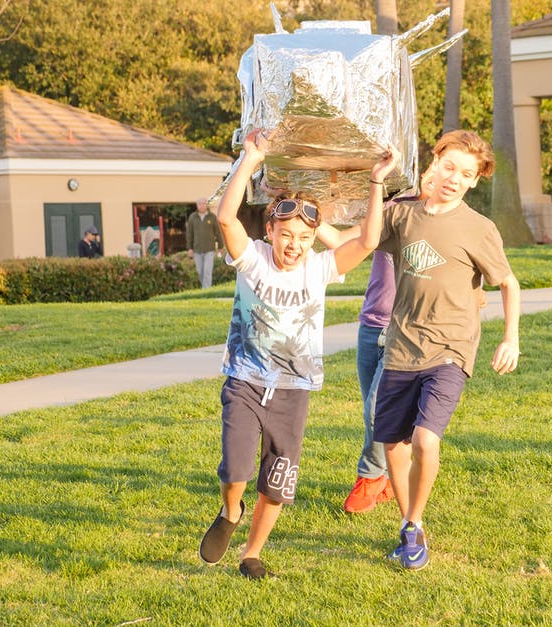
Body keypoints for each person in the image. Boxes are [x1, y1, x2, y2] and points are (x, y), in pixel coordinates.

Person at [197, 129, 397, 579]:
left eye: (304, 237)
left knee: (278, 483)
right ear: (269, 230)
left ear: (313, 240)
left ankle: (252, 553)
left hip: (294, 392)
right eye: (285, 234)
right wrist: (251, 158)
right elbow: (227, 218)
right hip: (246, 382)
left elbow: (366, 242)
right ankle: (231, 512)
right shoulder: (252, 259)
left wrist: (377, 181)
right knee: (236, 468)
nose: (293, 244)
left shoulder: (320, 269)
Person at [374, 129, 521, 570]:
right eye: (450, 166)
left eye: (467, 174)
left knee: (424, 438)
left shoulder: (479, 228)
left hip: (451, 349)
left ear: (475, 182)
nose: (456, 178)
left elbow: (508, 283)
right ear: (434, 162)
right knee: (392, 444)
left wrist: (510, 337)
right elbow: (353, 243)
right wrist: (307, 215)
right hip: (401, 346)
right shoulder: (403, 216)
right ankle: (408, 523)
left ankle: (414, 523)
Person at [340, 165, 434, 514]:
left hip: (405, 331)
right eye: (432, 166)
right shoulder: (392, 209)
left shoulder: (445, 221)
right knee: (377, 413)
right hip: (370, 326)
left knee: (377, 410)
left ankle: (371, 477)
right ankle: (395, 476)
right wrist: (305, 212)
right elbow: (347, 241)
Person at [187, 197, 223, 289]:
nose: (202, 205)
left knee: (207, 271)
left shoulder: (212, 217)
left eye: (203, 203)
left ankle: (206, 290)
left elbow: (218, 233)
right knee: (200, 271)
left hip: (209, 249)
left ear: (206, 205)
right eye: (200, 204)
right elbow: (189, 234)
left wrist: (220, 247)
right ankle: (204, 288)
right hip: (197, 250)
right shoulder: (192, 217)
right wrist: (189, 248)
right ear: (197, 205)